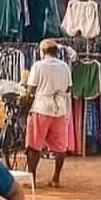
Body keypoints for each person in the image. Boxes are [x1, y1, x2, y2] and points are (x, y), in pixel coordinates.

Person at [25, 39, 72, 187]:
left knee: (33, 145)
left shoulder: (38, 66)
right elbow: (69, 89)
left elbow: (31, 89)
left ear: (42, 52)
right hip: (60, 109)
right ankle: (56, 178)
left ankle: (32, 177)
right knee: (60, 147)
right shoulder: (65, 67)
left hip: (41, 107)